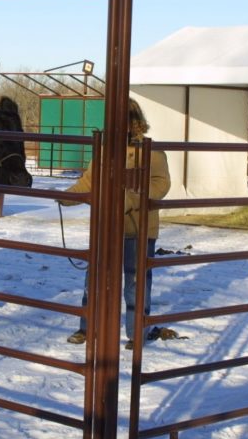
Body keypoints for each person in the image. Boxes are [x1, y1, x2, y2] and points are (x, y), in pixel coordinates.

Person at [61, 98, 178, 350]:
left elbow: (161, 184)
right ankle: (87, 328)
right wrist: (67, 196)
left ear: (133, 122)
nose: (114, 125)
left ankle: (137, 332)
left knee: (135, 283)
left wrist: (131, 200)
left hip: (138, 229)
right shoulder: (104, 150)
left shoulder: (152, 152)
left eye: (120, 120)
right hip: (106, 228)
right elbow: (88, 182)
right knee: (95, 281)